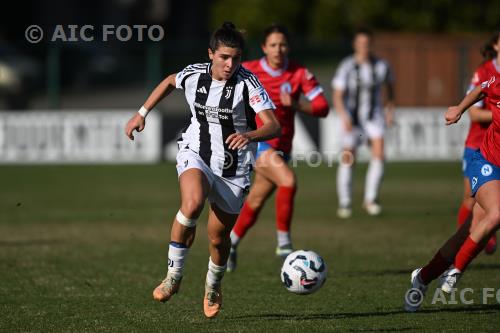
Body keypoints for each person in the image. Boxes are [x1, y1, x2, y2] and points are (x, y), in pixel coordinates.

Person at [125, 22, 280, 318]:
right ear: (211, 54)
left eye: (235, 58)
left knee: (218, 238)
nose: (230, 64)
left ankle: (213, 284)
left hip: (234, 169)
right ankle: (173, 276)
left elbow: (273, 125)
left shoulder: (248, 83)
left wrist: (250, 135)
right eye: (224, 57)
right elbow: (170, 81)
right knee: (192, 202)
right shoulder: (195, 74)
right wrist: (141, 113)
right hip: (196, 152)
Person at [404, 34, 500, 312]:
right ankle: (455, 271)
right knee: (496, 214)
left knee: (467, 234)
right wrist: (459, 108)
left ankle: (422, 278)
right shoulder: (493, 77)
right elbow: (482, 88)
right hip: (487, 161)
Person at [226, 24, 329, 272]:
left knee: (256, 200)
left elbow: (323, 107)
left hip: (283, 148)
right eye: (273, 45)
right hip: (257, 143)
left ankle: (229, 243)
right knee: (288, 181)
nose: (278, 49)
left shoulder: (299, 73)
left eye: (282, 44)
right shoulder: (248, 70)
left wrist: (296, 105)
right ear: (264, 47)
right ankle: (284, 244)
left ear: (288, 47)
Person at [331, 28, 395, 218]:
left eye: (367, 44)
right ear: (355, 45)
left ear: (371, 45)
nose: (364, 48)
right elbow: (337, 95)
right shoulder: (347, 66)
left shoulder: (382, 66)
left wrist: (390, 111)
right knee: (348, 157)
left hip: (373, 117)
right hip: (353, 118)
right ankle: (345, 202)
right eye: (360, 44)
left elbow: (390, 90)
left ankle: (370, 199)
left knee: (379, 153)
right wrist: (344, 116)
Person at [457, 32, 499, 254]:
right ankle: (464, 241)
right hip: (477, 145)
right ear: (495, 45)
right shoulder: (483, 73)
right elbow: (474, 114)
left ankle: (481, 236)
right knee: (470, 200)